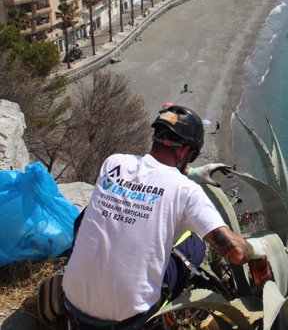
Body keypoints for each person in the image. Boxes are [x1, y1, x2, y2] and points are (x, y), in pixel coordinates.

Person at [61, 104, 269, 327]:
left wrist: (193, 173)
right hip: (130, 318)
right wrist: (260, 249)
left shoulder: (114, 163)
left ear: (155, 136)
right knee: (194, 244)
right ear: (186, 151)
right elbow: (236, 253)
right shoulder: (186, 192)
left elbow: (155, 170)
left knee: (92, 213)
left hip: (73, 303)